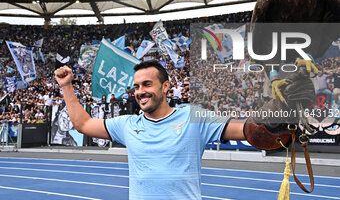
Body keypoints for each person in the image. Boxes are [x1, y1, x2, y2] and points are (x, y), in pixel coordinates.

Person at [54, 61, 246, 199]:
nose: (140, 92)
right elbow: (83, 124)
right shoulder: (127, 124)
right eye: (136, 86)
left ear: (165, 87)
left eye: (147, 84)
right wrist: (66, 85)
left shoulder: (193, 117)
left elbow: (245, 130)